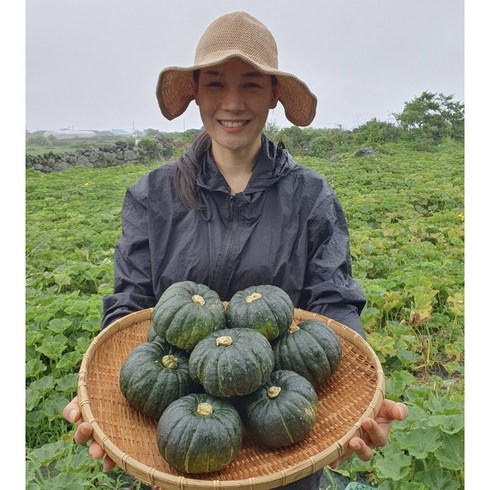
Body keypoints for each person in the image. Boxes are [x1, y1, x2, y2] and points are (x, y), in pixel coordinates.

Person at [63, 11, 408, 489]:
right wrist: (109, 398)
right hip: (178, 435)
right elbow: (130, 306)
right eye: (215, 84)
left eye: (249, 85)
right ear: (196, 94)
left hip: (281, 433)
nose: (231, 103)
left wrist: (359, 395)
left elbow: (334, 303)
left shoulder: (310, 197)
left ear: (272, 95)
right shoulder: (152, 195)